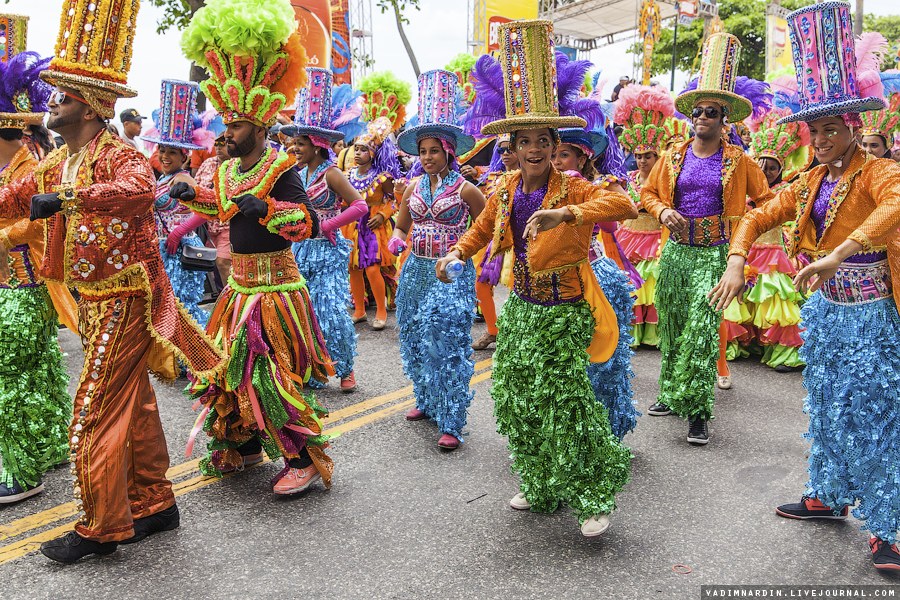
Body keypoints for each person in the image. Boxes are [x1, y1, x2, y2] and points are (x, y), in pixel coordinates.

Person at [0, 0, 227, 563]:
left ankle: (102, 527)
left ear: (93, 106)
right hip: (92, 299)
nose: (53, 102)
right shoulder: (56, 162)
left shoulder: (118, 154)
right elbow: (14, 196)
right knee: (137, 401)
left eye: (65, 95)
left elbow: (138, 192)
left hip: (128, 297)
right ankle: (154, 502)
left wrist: (73, 199)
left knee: (93, 411)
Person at [709, 1, 900, 571]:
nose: (818, 138)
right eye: (813, 129)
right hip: (826, 315)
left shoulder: (879, 172)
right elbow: (755, 214)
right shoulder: (810, 178)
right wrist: (737, 260)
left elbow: (893, 209)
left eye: (830, 130)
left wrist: (838, 254)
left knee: (877, 414)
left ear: (854, 129)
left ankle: (891, 525)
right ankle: (828, 495)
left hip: (869, 315)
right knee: (828, 409)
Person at [441, 21, 636, 536]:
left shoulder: (572, 185)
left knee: (566, 398)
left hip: (566, 305)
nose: (532, 148)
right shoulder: (504, 184)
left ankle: (594, 495)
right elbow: (482, 225)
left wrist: (565, 217)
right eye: (522, 140)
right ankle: (540, 481)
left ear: (555, 144)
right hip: (522, 306)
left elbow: (624, 202)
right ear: (512, 144)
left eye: (542, 140)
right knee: (513, 393)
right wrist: (458, 254)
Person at [175, 0, 336, 494]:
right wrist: (193, 194)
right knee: (227, 367)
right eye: (226, 125)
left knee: (267, 372)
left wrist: (265, 209)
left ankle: (302, 458)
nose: (228, 133)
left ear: (261, 128)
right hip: (238, 287)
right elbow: (224, 207)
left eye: (237, 126)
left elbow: (307, 221)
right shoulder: (225, 170)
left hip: (275, 289)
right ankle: (243, 444)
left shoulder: (281, 167)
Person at [641, 33, 773, 445]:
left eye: (711, 112)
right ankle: (668, 392)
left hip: (715, 254)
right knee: (674, 325)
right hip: (676, 253)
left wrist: (741, 230)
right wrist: (663, 210)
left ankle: (698, 412)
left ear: (723, 119)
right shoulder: (672, 156)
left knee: (701, 331)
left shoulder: (739, 160)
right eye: (698, 111)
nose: (702, 118)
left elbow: (766, 200)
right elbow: (646, 193)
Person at [391, 69, 484, 451]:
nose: (427, 157)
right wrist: (398, 239)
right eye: (422, 151)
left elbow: (487, 228)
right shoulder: (412, 186)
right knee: (413, 335)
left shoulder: (466, 189)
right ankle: (426, 400)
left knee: (446, 341)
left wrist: (468, 256)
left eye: (434, 151)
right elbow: (401, 222)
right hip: (415, 269)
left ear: (448, 152)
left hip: (450, 272)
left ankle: (452, 418)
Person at [0, 47, 74, 505]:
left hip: (26, 285)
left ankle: (20, 472)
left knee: (9, 376)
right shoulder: (13, 166)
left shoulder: (34, 168)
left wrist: (6, 237)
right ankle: (49, 445)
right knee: (39, 367)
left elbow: (48, 219)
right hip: (10, 284)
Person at [282, 67, 369, 392]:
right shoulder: (295, 173)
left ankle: (345, 367)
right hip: (298, 250)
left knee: (330, 309)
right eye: (294, 144)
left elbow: (360, 206)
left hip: (328, 250)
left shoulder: (332, 174)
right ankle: (311, 368)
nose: (296, 149)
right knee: (300, 309)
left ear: (317, 145)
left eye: (301, 144)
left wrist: (327, 224)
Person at [739, 106, 813, 371]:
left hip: (776, 254)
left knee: (775, 300)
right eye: (762, 167)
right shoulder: (747, 192)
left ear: (780, 169)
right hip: (751, 251)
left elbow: (798, 220)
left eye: (772, 168)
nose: (767, 172)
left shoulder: (788, 190)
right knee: (748, 297)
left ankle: (783, 353)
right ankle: (750, 342)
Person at [142, 80, 214, 328]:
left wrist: (180, 231)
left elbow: (209, 210)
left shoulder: (182, 178)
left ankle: (195, 359)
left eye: (171, 152)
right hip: (163, 248)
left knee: (181, 306)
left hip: (180, 250)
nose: (164, 156)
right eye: (162, 149)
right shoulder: (164, 178)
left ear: (184, 155)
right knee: (164, 307)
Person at [613, 84, 676, 347]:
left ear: (657, 155)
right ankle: (633, 332)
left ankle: (652, 333)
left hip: (654, 237)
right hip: (629, 236)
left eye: (647, 156)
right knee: (632, 285)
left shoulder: (666, 179)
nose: (641, 161)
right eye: (638, 156)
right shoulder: (627, 179)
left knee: (651, 285)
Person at [345, 117, 401, 330]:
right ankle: (359, 310)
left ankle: (380, 310)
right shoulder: (348, 175)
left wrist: (384, 215)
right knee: (354, 269)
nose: (357, 153)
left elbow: (394, 201)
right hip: (352, 227)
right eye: (356, 149)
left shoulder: (383, 177)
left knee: (372, 269)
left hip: (373, 227)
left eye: (362, 150)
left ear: (373, 153)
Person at [194, 132, 232, 284]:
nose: (219, 147)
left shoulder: (238, 165)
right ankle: (222, 297)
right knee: (212, 264)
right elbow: (195, 186)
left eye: (223, 144)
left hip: (227, 225)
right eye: (216, 144)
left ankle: (233, 301)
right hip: (206, 225)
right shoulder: (208, 163)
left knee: (223, 262)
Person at [859, 93, 900, 159]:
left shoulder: (891, 169)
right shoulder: (856, 167)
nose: (868, 150)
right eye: (864, 145)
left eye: (874, 145)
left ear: (887, 146)